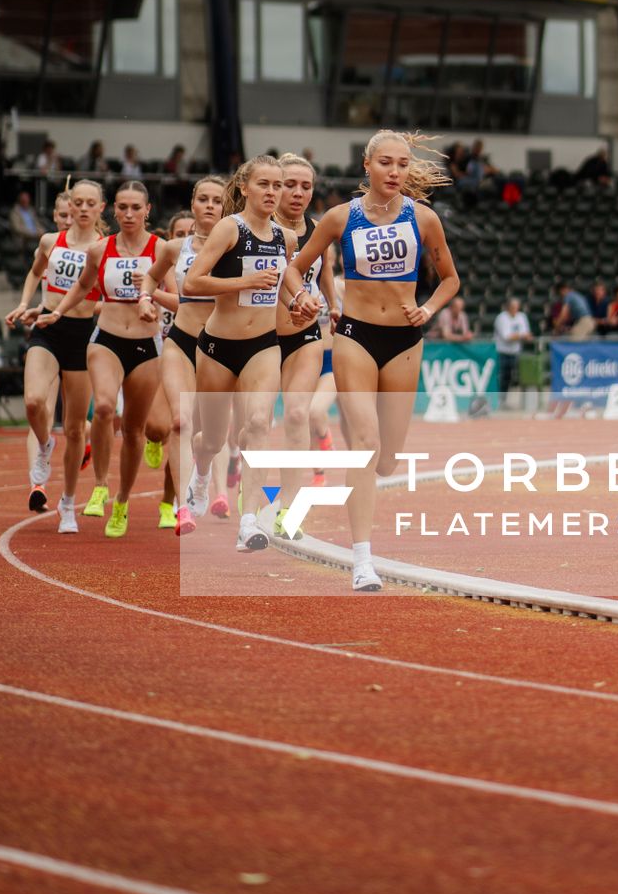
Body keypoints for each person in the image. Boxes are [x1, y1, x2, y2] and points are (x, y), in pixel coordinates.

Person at [280, 130, 460, 593]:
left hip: (405, 340)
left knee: (387, 462)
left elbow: (450, 280)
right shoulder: (341, 217)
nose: (394, 171)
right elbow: (294, 269)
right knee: (365, 444)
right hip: (355, 335)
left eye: (402, 163)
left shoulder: (424, 219)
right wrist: (302, 299)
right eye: (385, 162)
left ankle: (360, 430)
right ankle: (363, 560)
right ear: (367, 165)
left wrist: (428, 309)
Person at [36, 178, 163, 538]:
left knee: (135, 430)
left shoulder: (161, 249)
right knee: (105, 407)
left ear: (147, 211)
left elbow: (177, 295)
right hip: (106, 338)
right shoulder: (100, 249)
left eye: (136, 208)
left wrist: (151, 296)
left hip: (146, 345)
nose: (129, 214)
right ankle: (101, 485)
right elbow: (82, 286)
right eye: (123, 207)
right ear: (114, 210)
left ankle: (122, 501)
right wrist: (57, 312)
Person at [176, 155, 288, 555]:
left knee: (258, 424)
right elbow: (193, 282)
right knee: (212, 438)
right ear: (244, 187)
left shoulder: (284, 237)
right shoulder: (229, 228)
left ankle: (248, 522)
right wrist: (244, 281)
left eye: (278, 185)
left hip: (263, 345)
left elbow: (285, 284)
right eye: (264, 184)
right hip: (217, 347)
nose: (272, 192)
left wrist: (300, 302)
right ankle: (201, 474)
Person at [6, 178, 107, 530]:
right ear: (68, 207)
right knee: (34, 402)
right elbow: (35, 273)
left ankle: (67, 504)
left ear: (100, 208)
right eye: (77, 203)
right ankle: (45, 443)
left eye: (90, 203)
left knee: (76, 429)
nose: (82, 209)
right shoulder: (50, 241)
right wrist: (26, 304)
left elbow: (109, 298)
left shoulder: (105, 248)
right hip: (47, 329)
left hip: (82, 335)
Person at [138, 181, 228, 534]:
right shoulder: (175, 247)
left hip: (219, 347)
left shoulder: (236, 246)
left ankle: (202, 478)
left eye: (217, 201)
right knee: (179, 421)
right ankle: (182, 507)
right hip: (181, 340)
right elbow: (150, 277)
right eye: (203, 199)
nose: (210, 206)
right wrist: (145, 299)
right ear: (193, 203)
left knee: (213, 436)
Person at [272, 153, 341, 541]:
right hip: (261, 335)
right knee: (253, 423)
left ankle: (288, 509)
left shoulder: (317, 229)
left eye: (305, 186)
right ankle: (243, 488)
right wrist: (293, 300)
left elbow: (324, 269)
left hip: (305, 333)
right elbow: (283, 276)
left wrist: (333, 305)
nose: (298, 193)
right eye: (289, 185)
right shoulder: (258, 228)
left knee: (297, 414)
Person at [493, 295, 532, 406]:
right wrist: (521, 335)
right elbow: (506, 336)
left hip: (515, 352)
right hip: (502, 352)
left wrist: (519, 335)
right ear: (508, 307)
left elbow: (527, 334)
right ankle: (498, 400)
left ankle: (504, 400)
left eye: (516, 307)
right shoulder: (501, 318)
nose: (515, 309)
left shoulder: (521, 317)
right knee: (501, 377)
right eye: (513, 307)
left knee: (510, 378)